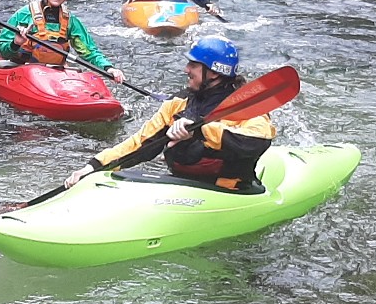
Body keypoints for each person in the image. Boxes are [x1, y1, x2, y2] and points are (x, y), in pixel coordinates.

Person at [65, 37, 272, 192]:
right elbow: (140, 143)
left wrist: (199, 132)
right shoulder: (178, 103)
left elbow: (257, 141)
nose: (186, 69)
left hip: (230, 190)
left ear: (214, 72)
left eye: (193, 65)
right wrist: (93, 166)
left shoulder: (247, 107)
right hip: (182, 187)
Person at [0, 0, 125, 84]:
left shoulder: (70, 21)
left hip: (55, 76)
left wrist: (109, 68)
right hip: (23, 72)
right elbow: (2, 52)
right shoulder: (23, 15)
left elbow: (88, 51)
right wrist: (15, 43)